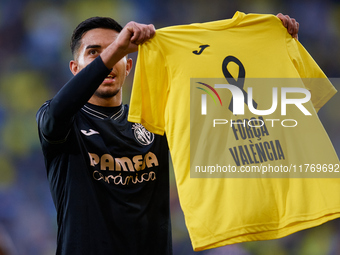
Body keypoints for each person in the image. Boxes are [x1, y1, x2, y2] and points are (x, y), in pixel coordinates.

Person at [36, 14, 299, 255]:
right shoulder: (59, 121)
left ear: (129, 67)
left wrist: (269, 47)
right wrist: (118, 47)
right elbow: (60, 109)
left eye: (116, 52)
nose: (109, 61)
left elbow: (234, 113)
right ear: (74, 68)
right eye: (94, 52)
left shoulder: (156, 117)